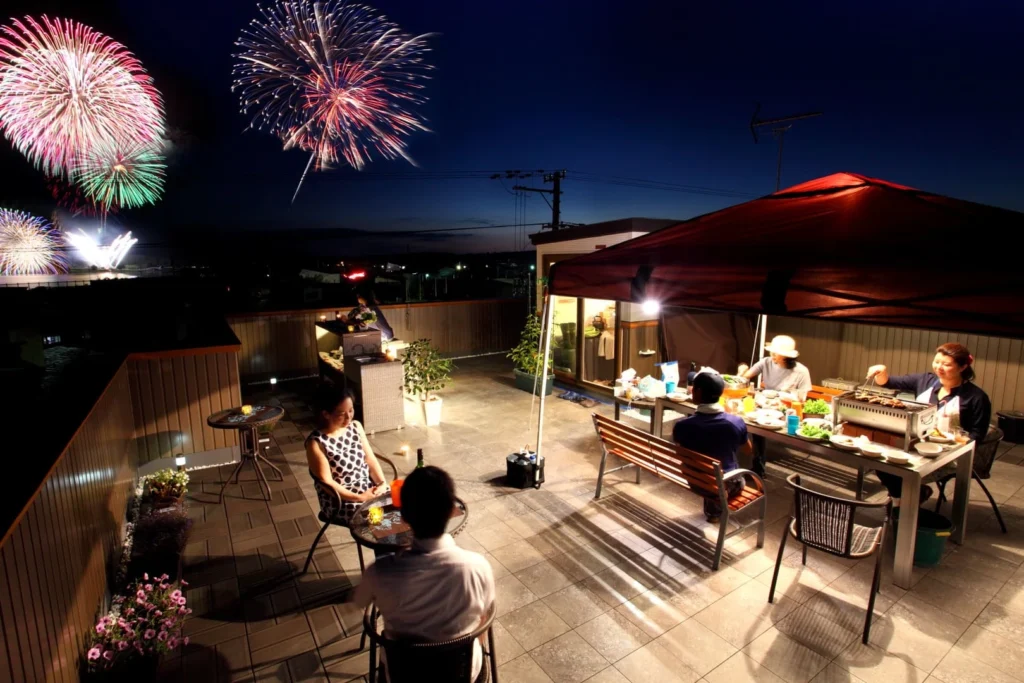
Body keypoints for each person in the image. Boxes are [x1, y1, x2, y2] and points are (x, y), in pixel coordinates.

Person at [354, 466, 495, 681]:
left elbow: (360, 601)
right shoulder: (478, 567)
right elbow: (484, 621)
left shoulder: (379, 572)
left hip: (403, 675)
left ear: (404, 516)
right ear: (451, 511)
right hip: (462, 674)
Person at [866, 342, 992, 502]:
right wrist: (881, 371)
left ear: (962, 367)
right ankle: (909, 497)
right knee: (883, 461)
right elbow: (888, 382)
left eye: (946, 364)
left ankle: (905, 502)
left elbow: (977, 435)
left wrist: (953, 439)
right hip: (915, 443)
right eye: (937, 361)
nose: (939, 367)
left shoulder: (976, 397)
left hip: (947, 454)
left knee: (906, 470)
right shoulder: (925, 381)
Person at [672, 371, 753, 522]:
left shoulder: (682, 425)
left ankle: (713, 512)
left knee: (709, 465)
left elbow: (680, 453)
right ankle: (714, 512)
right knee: (723, 471)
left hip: (694, 479)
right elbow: (748, 450)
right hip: (725, 484)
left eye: (693, 388)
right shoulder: (735, 422)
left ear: (698, 392)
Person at [305, 384, 390, 525]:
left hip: (367, 487)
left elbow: (370, 460)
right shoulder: (316, 442)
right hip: (340, 500)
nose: (348, 417)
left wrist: (381, 483)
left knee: (403, 504)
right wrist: (360, 497)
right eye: (341, 414)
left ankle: (395, 543)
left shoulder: (356, 427)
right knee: (378, 519)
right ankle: (384, 544)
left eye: (351, 410)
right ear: (326, 414)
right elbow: (327, 483)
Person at [738, 334, 813, 477]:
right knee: (756, 427)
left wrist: (784, 398)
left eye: (776, 353)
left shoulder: (801, 371)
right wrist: (742, 371)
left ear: (787, 356)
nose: (772, 355)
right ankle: (758, 469)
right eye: (772, 351)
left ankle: (758, 467)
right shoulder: (766, 362)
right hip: (764, 408)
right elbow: (745, 377)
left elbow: (802, 398)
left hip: (787, 411)